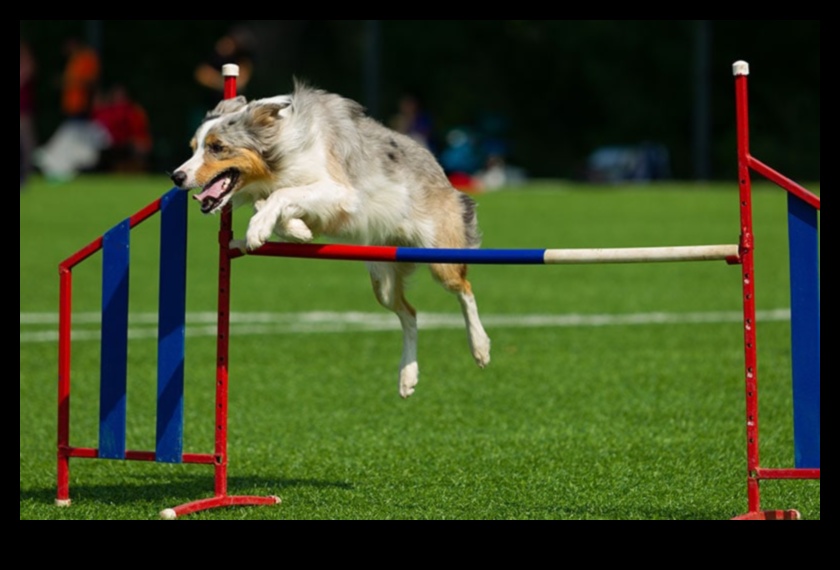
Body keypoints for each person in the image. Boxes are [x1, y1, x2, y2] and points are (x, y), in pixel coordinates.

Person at [33, 37, 104, 181]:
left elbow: (90, 81)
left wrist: (69, 82)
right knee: (71, 136)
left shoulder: (87, 58)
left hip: (82, 106)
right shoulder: (74, 60)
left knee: (76, 137)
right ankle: (63, 164)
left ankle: (69, 164)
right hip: (72, 106)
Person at [91, 84, 153, 173]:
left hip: (127, 145)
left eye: (121, 96)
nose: (119, 98)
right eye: (117, 96)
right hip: (110, 146)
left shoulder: (133, 111)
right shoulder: (106, 112)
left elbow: (140, 133)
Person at [20, 40, 36, 190]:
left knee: (26, 144)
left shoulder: (27, 65)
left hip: (23, 110)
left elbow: (26, 74)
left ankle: (26, 174)